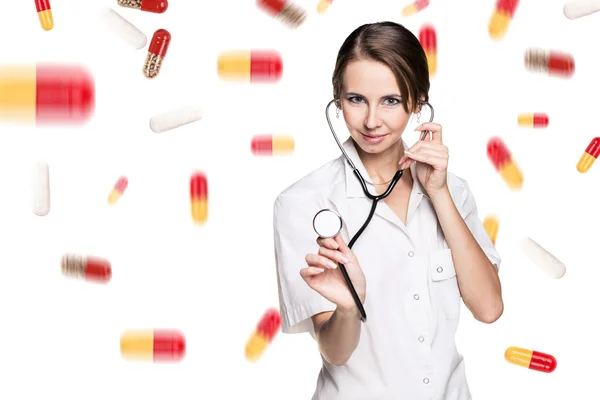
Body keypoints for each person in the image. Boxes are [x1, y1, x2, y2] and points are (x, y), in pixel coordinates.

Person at [272, 21, 503, 400]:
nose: (371, 121)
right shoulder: (303, 202)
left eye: (391, 101)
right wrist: (348, 307)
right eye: (356, 99)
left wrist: (439, 194)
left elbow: (490, 308)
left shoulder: (453, 190)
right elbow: (335, 351)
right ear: (337, 99)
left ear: (418, 103)